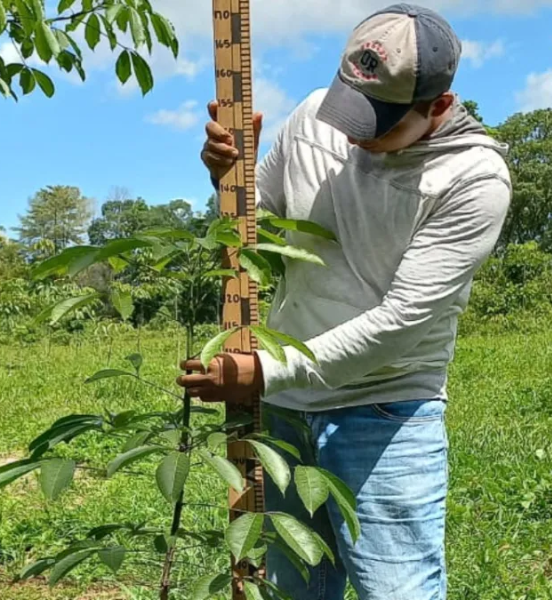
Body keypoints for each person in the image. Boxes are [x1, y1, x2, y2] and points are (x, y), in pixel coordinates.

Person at [177, 4, 512, 600]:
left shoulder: (472, 177)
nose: (354, 133)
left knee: (397, 591)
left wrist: (262, 372)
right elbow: (264, 234)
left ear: (437, 105)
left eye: (379, 123)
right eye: (349, 110)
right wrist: (229, 181)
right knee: (294, 589)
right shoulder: (312, 117)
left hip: (383, 411)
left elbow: (403, 320)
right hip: (282, 407)